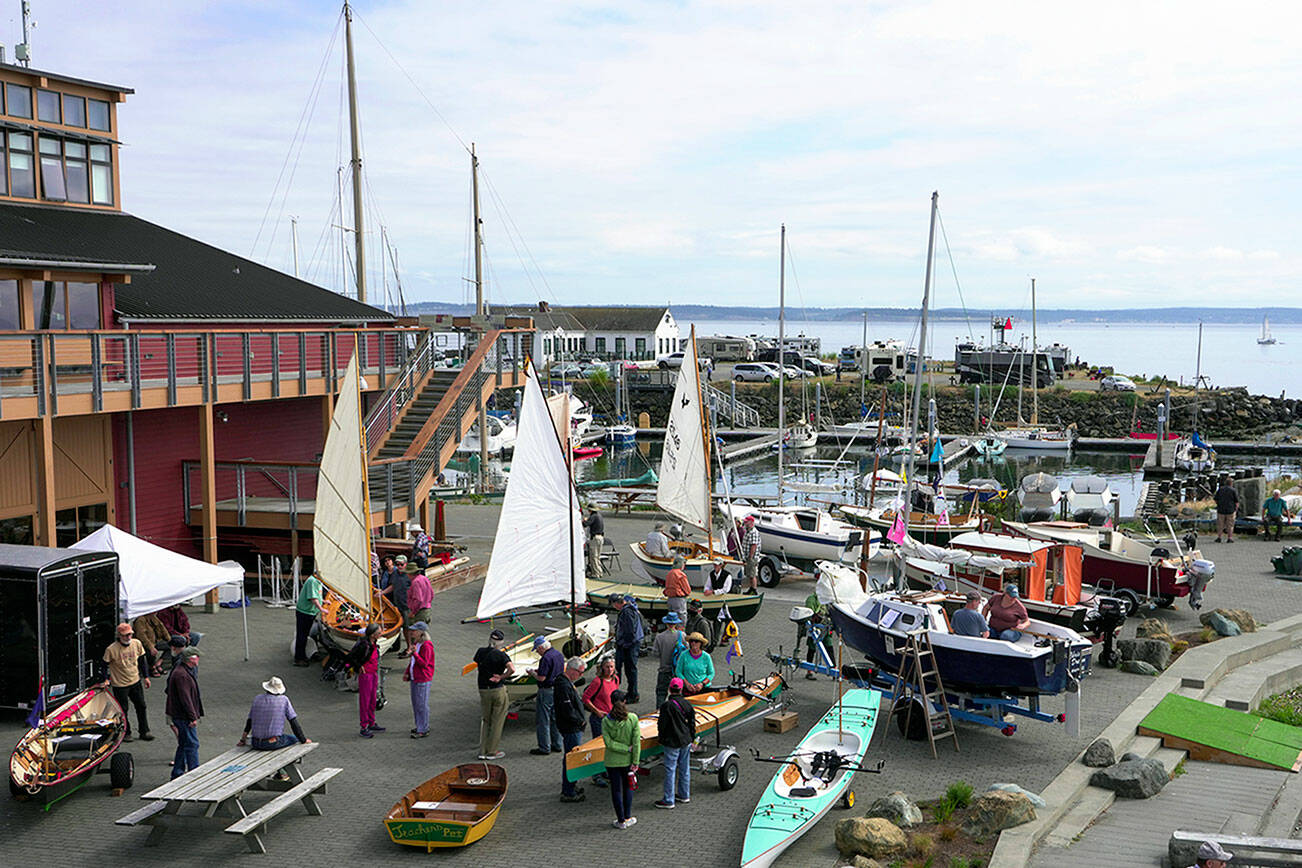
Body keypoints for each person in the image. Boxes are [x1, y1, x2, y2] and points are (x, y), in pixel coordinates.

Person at [100, 622, 153, 742]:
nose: (128, 637)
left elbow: (142, 660)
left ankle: (144, 730)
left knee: (141, 706)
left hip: (135, 680)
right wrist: (106, 679)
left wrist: (146, 677)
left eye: (130, 635)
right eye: (125, 635)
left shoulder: (136, 643)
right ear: (119, 636)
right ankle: (126, 732)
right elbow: (104, 665)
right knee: (123, 710)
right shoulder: (111, 649)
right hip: (120, 684)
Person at [654, 677, 697, 809]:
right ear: (681, 689)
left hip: (672, 741)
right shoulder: (687, 704)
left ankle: (668, 799)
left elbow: (662, 724)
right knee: (684, 768)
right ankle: (684, 795)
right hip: (685, 740)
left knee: (670, 770)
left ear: (669, 689)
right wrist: (692, 738)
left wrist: (661, 738)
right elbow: (692, 723)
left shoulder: (666, 706)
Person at [237, 676, 310, 750]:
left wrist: (243, 740)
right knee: (294, 738)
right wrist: (303, 740)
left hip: (255, 742)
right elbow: (293, 722)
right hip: (272, 742)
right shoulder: (284, 700)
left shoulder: (257, 698)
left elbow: (249, 722)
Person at [473, 628, 514, 759]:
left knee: (486, 720)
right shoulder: (501, 655)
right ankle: (492, 751)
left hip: (483, 689)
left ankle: (482, 751)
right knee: (497, 721)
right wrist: (502, 676)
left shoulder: (480, 652)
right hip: (497, 689)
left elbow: (477, 662)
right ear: (500, 642)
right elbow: (512, 668)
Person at [602, 690, 640, 829]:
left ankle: (620, 820)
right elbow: (636, 742)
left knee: (616, 790)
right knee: (628, 788)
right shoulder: (633, 718)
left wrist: (622, 748)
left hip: (612, 761)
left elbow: (608, 743)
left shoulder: (606, 720)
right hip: (628, 761)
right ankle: (628, 816)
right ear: (625, 701)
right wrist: (635, 760)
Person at [165, 647, 203, 778]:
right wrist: (192, 717)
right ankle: (194, 773)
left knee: (183, 743)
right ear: (191, 659)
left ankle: (177, 773)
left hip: (179, 715)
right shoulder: (182, 675)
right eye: (197, 657)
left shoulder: (183, 671)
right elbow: (185, 698)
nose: (199, 659)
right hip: (183, 716)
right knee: (192, 744)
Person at [581, 656, 619, 787]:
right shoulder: (598, 682)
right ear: (602, 667)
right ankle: (596, 775)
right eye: (607, 666)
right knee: (598, 746)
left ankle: (605, 770)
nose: (609, 669)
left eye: (612, 667)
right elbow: (586, 698)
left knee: (608, 746)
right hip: (599, 718)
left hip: (611, 718)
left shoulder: (615, 679)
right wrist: (596, 710)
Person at [556, 657, 589, 803]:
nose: (581, 676)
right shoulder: (563, 686)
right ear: (571, 670)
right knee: (571, 759)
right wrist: (580, 721)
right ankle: (568, 791)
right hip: (571, 727)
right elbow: (567, 710)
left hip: (572, 726)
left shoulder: (566, 683)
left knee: (571, 758)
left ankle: (571, 785)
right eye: (580, 673)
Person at [527, 636, 565, 754]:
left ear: (541, 648)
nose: (537, 653)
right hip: (558, 689)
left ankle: (544, 747)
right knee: (555, 718)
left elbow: (542, 678)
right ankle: (557, 744)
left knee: (543, 720)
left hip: (546, 691)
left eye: (537, 650)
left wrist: (532, 673)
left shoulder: (545, 658)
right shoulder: (558, 654)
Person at [347, 623, 385, 738]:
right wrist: (359, 666)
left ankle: (371, 722)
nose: (380, 634)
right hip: (366, 675)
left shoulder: (372, 643)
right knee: (365, 700)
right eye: (379, 633)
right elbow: (351, 657)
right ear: (373, 635)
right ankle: (364, 727)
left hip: (373, 673)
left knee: (373, 699)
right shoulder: (364, 645)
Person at [403, 621, 435, 738]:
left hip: (423, 678)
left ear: (421, 632)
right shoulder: (417, 644)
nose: (411, 633)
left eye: (414, 631)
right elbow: (413, 662)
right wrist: (407, 672)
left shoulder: (426, 646)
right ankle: (420, 726)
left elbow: (424, 663)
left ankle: (423, 728)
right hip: (415, 677)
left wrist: (415, 654)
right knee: (416, 703)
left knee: (421, 704)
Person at [611, 595, 643, 704]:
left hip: (628, 645)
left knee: (629, 669)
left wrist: (624, 644)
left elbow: (630, 631)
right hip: (631, 644)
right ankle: (631, 693)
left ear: (616, 603)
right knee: (629, 669)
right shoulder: (631, 609)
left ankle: (632, 694)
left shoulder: (626, 612)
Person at [653, 612, 686, 706]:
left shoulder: (659, 637)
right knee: (678, 693)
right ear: (676, 623)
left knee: (661, 692)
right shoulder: (682, 635)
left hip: (664, 669)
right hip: (677, 670)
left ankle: (659, 712)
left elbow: (655, 654)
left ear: (666, 623)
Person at [294, 571, 325, 667]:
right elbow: (312, 598)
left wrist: (323, 601)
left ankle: (309, 653)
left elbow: (317, 596)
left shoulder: (318, 581)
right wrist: (321, 609)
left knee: (307, 634)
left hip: (310, 612)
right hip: (305, 612)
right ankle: (299, 658)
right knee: (302, 635)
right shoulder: (313, 581)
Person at [132, 610, 170, 676]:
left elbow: (162, 627)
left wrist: (168, 638)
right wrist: (151, 646)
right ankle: (152, 667)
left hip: (155, 641)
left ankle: (158, 663)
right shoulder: (140, 620)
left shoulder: (153, 618)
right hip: (143, 644)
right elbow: (141, 636)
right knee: (150, 650)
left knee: (172, 645)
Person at [406, 564, 434, 641]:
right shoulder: (424, 578)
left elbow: (418, 599)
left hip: (419, 612)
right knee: (423, 634)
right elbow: (432, 594)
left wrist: (413, 612)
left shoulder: (415, 582)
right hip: (426, 609)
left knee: (417, 636)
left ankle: (417, 651)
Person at [663, 555, 690, 621]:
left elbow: (666, 589)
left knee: (672, 619)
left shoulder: (669, 573)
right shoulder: (681, 574)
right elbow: (688, 590)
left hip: (670, 600)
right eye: (684, 563)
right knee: (681, 619)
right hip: (679, 600)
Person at [1214, 477, 1239, 543]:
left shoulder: (1220, 489)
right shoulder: (1233, 490)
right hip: (1230, 510)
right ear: (1231, 483)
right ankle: (1229, 538)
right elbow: (1236, 501)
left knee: (1220, 524)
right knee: (1230, 525)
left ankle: (1219, 537)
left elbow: (1215, 499)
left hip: (1221, 509)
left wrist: (1219, 504)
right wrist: (1236, 509)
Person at [742, 515, 761, 595]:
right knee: (749, 574)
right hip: (747, 556)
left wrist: (750, 556)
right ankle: (751, 588)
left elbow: (754, 545)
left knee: (752, 574)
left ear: (751, 523)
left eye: (747, 522)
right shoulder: (748, 531)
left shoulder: (754, 532)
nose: (745, 523)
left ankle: (754, 589)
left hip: (752, 557)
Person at [585, 507, 606, 578]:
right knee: (597, 557)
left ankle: (595, 574)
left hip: (595, 538)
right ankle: (599, 572)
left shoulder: (593, 516)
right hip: (601, 537)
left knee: (593, 556)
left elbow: (586, 524)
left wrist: (584, 520)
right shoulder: (599, 516)